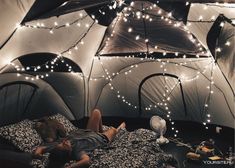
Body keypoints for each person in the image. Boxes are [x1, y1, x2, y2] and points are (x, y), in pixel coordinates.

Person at [33, 109, 126, 168]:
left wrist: (38, 155)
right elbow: (86, 161)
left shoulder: (57, 146)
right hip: (100, 138)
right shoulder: (77, 152)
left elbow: (40, 148)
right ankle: (118, 129)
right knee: (114, 129)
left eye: (61, 143)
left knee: (96, 112)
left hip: (87, 132)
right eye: (65, 145)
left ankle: (101, 130)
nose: (64, 142)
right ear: (69, 151)